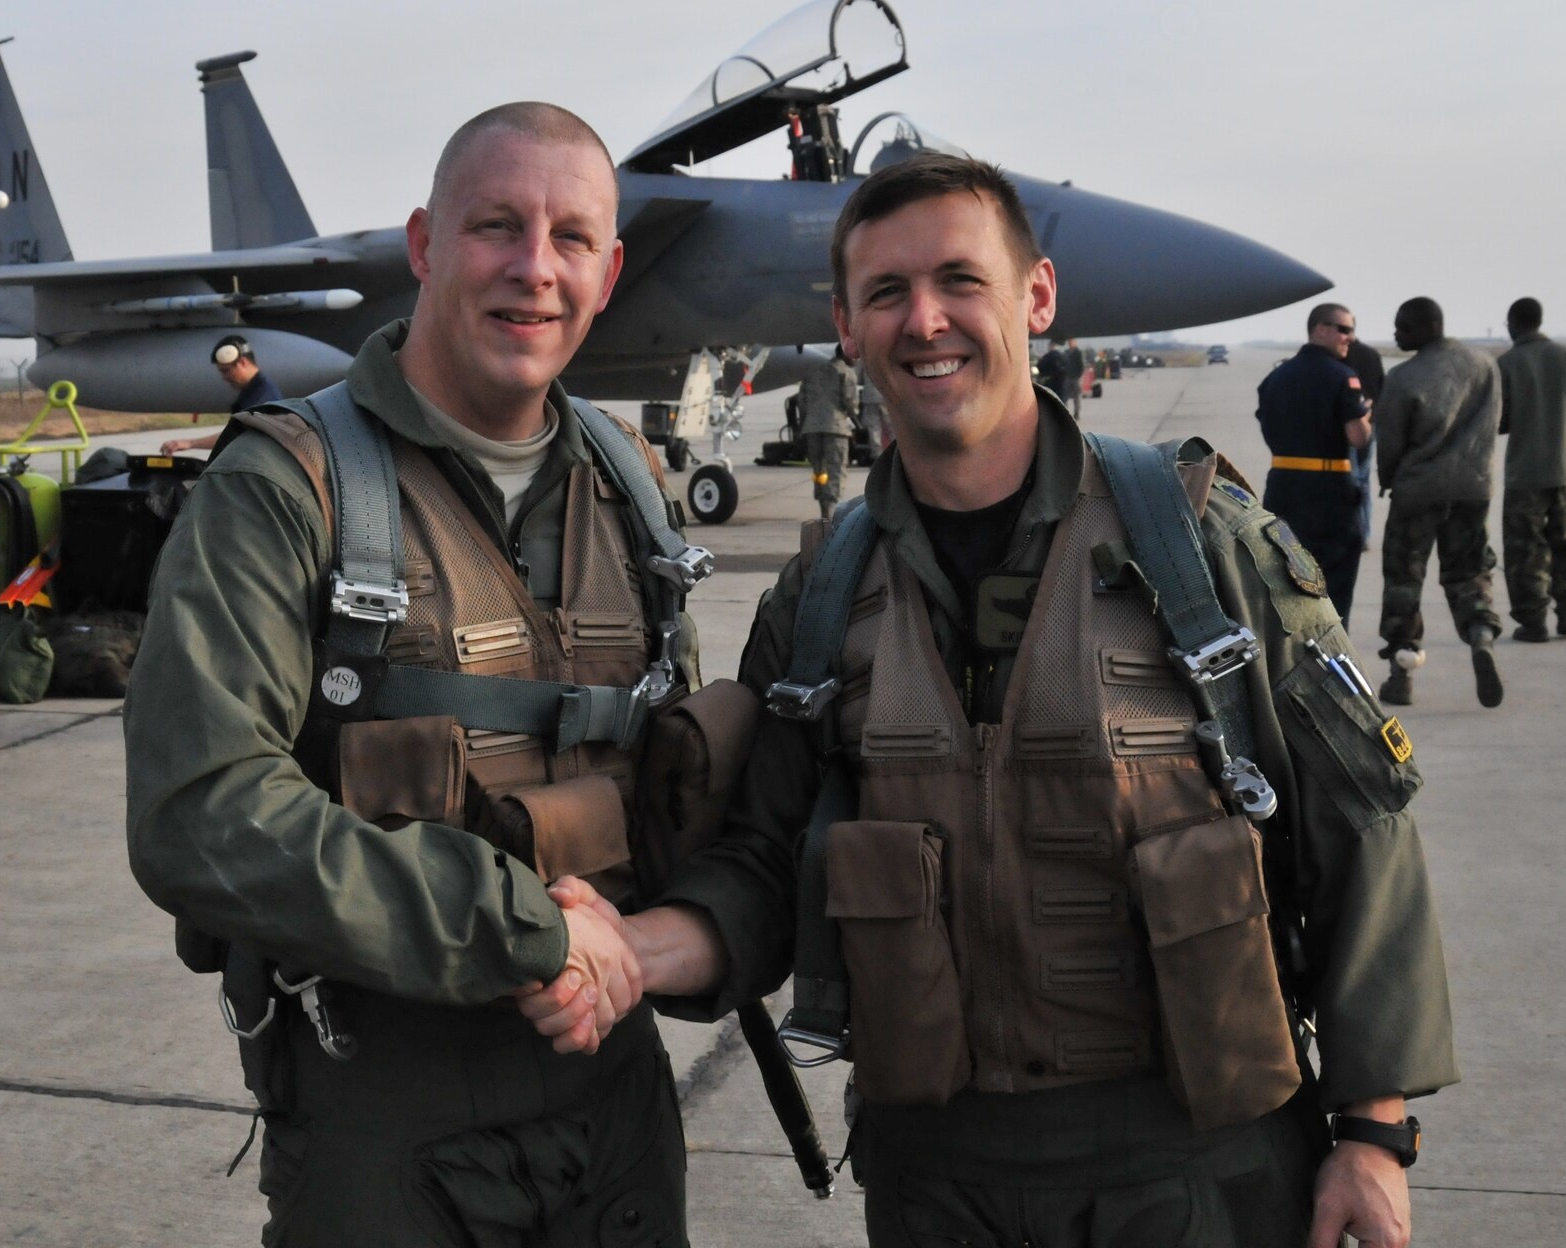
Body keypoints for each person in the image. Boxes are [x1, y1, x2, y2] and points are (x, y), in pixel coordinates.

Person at [523, 153, 1458, 1248]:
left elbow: (1359, 828)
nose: (924, 320)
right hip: (939, 1181)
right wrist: (632, 950)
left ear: (1036, 296)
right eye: (885, 292)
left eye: (959, 280)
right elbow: (764, 863)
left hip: (1197, 1166)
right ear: (844, 323)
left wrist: (1369, 1132)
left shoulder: (1200, 546)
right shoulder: (823, 594)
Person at [125, 104, 701, 1246]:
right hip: (386, 1115)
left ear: (610, 267)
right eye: (496, 226)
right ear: (424, 245)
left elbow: (682, 766)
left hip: (614, 1094)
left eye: (571, 237)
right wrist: (523, 927)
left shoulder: (631, 484)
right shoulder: (287, 487)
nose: (535, 268)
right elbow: (197, 811)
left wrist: (680, 937)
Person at [1375, 297, 1505, 708]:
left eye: (1403, 328)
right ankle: (1481, 635)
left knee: (1404, 578)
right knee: (1469, 571)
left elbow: (1391, 440)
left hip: (1418, 491)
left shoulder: (1403, 376)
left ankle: (1402, 672)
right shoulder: (1485, 365)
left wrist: (1387, 478)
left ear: (1428, 326)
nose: (1396, 335)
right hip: (1473, 490)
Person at [1255, 304, 1373, 627]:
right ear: (1320, 329)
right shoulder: (1343, 377)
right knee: (1334, 590)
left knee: (1287, 581)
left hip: (1282, 488)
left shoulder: (1275, 377)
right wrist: (1365, 417)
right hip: (1330, 494)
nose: (1350, 338)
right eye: (1344, 329)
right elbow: (1358, 437)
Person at [1496, 297, 1566, 641]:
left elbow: (1501, 420)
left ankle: (1533, 620)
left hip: (1526, 474)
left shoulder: (1509, 363)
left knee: (1526, 552)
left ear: (1514, 323)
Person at [158, 334, 286, 455]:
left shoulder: (261, 396)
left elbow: (236, 434)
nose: (224, 377)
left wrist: (190, 443)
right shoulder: (255, 390)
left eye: (226, 371)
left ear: (242, 362)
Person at [798, 352, 860, 518]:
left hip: (812, 429)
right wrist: (856, 420)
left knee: (820, 470)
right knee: (836, 470)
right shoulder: (845, 372)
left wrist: (804, 424)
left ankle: (823, 508)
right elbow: (850, 402)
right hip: (836, 428)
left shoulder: (811, 371)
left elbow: (802, 402)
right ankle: (831, 511)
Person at [1345, 336, 1385, 545]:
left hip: (1349, 425)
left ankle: (1353, 532)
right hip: (1372, 423)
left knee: (1350, 480)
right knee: (1364, 480)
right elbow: (1382, 389)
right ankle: (1364, 533)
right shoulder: (1372, 354)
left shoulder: (1341, 355)